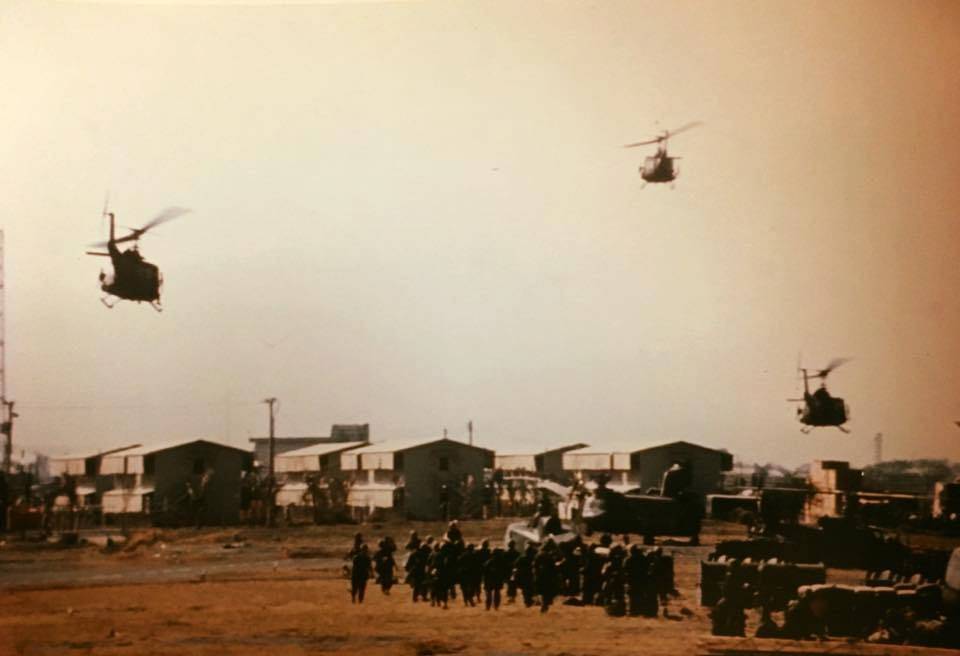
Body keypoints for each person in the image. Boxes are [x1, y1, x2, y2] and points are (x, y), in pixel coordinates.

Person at [534, 540, 560, 613]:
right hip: (548, 577)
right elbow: (553, 568)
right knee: (547, 593)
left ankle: (544, 606)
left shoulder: (539, 555)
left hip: (540, 577)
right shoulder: (548, 557)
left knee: (544, 593)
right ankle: (544, 607)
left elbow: (535, 566)